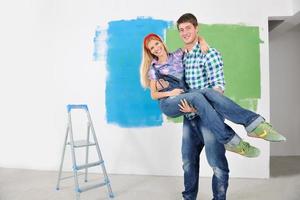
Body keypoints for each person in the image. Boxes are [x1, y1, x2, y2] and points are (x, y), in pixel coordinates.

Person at [140, 33, 285, 156]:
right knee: (196, 96)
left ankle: (254, 125)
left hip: (184, 95)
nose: (156, 48)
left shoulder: (178, 55)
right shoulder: (154, 68)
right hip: (168, 103)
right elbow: (153, 95)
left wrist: (203, 42)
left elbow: (194, 39)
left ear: (161, 42)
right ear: (150, 52)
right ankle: (229, 140)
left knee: (209, 92)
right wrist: (171, 92)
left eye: (156, 44)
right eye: (152, 48)